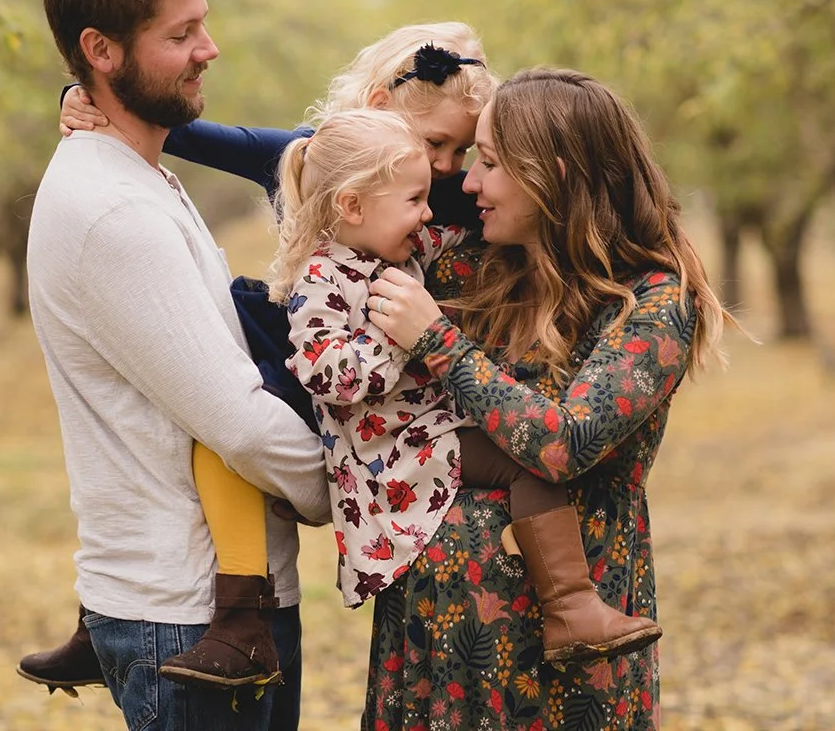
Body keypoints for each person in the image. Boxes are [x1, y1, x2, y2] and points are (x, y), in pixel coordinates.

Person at [19, 23, 498, 691]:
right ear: (382, 115)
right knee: (214, 395)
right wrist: (84, 91)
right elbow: (184, 130)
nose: (449, 167)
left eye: (464, 150)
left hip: (388, 378)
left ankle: (219, 613)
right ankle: (113, 616)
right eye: (437, 144)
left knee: (225, 415)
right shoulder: (313, 157)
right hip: (325, 347)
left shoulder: (456, 195)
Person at [359, 67, 736, 730]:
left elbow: (565, 445)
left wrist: (440, 343)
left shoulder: (652, 300)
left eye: (491, 163)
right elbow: (340, 213)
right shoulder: (467, 268)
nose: (467, 182)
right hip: (430, 639)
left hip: (554, 658)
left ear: (553, 174)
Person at [24, 0, 329, 731]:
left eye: (205, 22)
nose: (209, 47)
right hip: (189, 619)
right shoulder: (111, 211)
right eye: (182, 32)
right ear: (101, 50)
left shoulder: (140, 171)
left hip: (211, 604)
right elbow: (239, 422)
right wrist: (351, 488)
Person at [268, 106, 663, 663]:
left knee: (523, 460)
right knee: (521, 462)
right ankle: (571, 606)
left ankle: (569, 602)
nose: (432, 212)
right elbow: (325, 374)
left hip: (423, 435)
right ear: (352, 207)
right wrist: (404, 335)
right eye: (414, 201)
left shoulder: (395, 252)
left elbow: (454, 234)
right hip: (396, 449)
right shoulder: (322, 281)